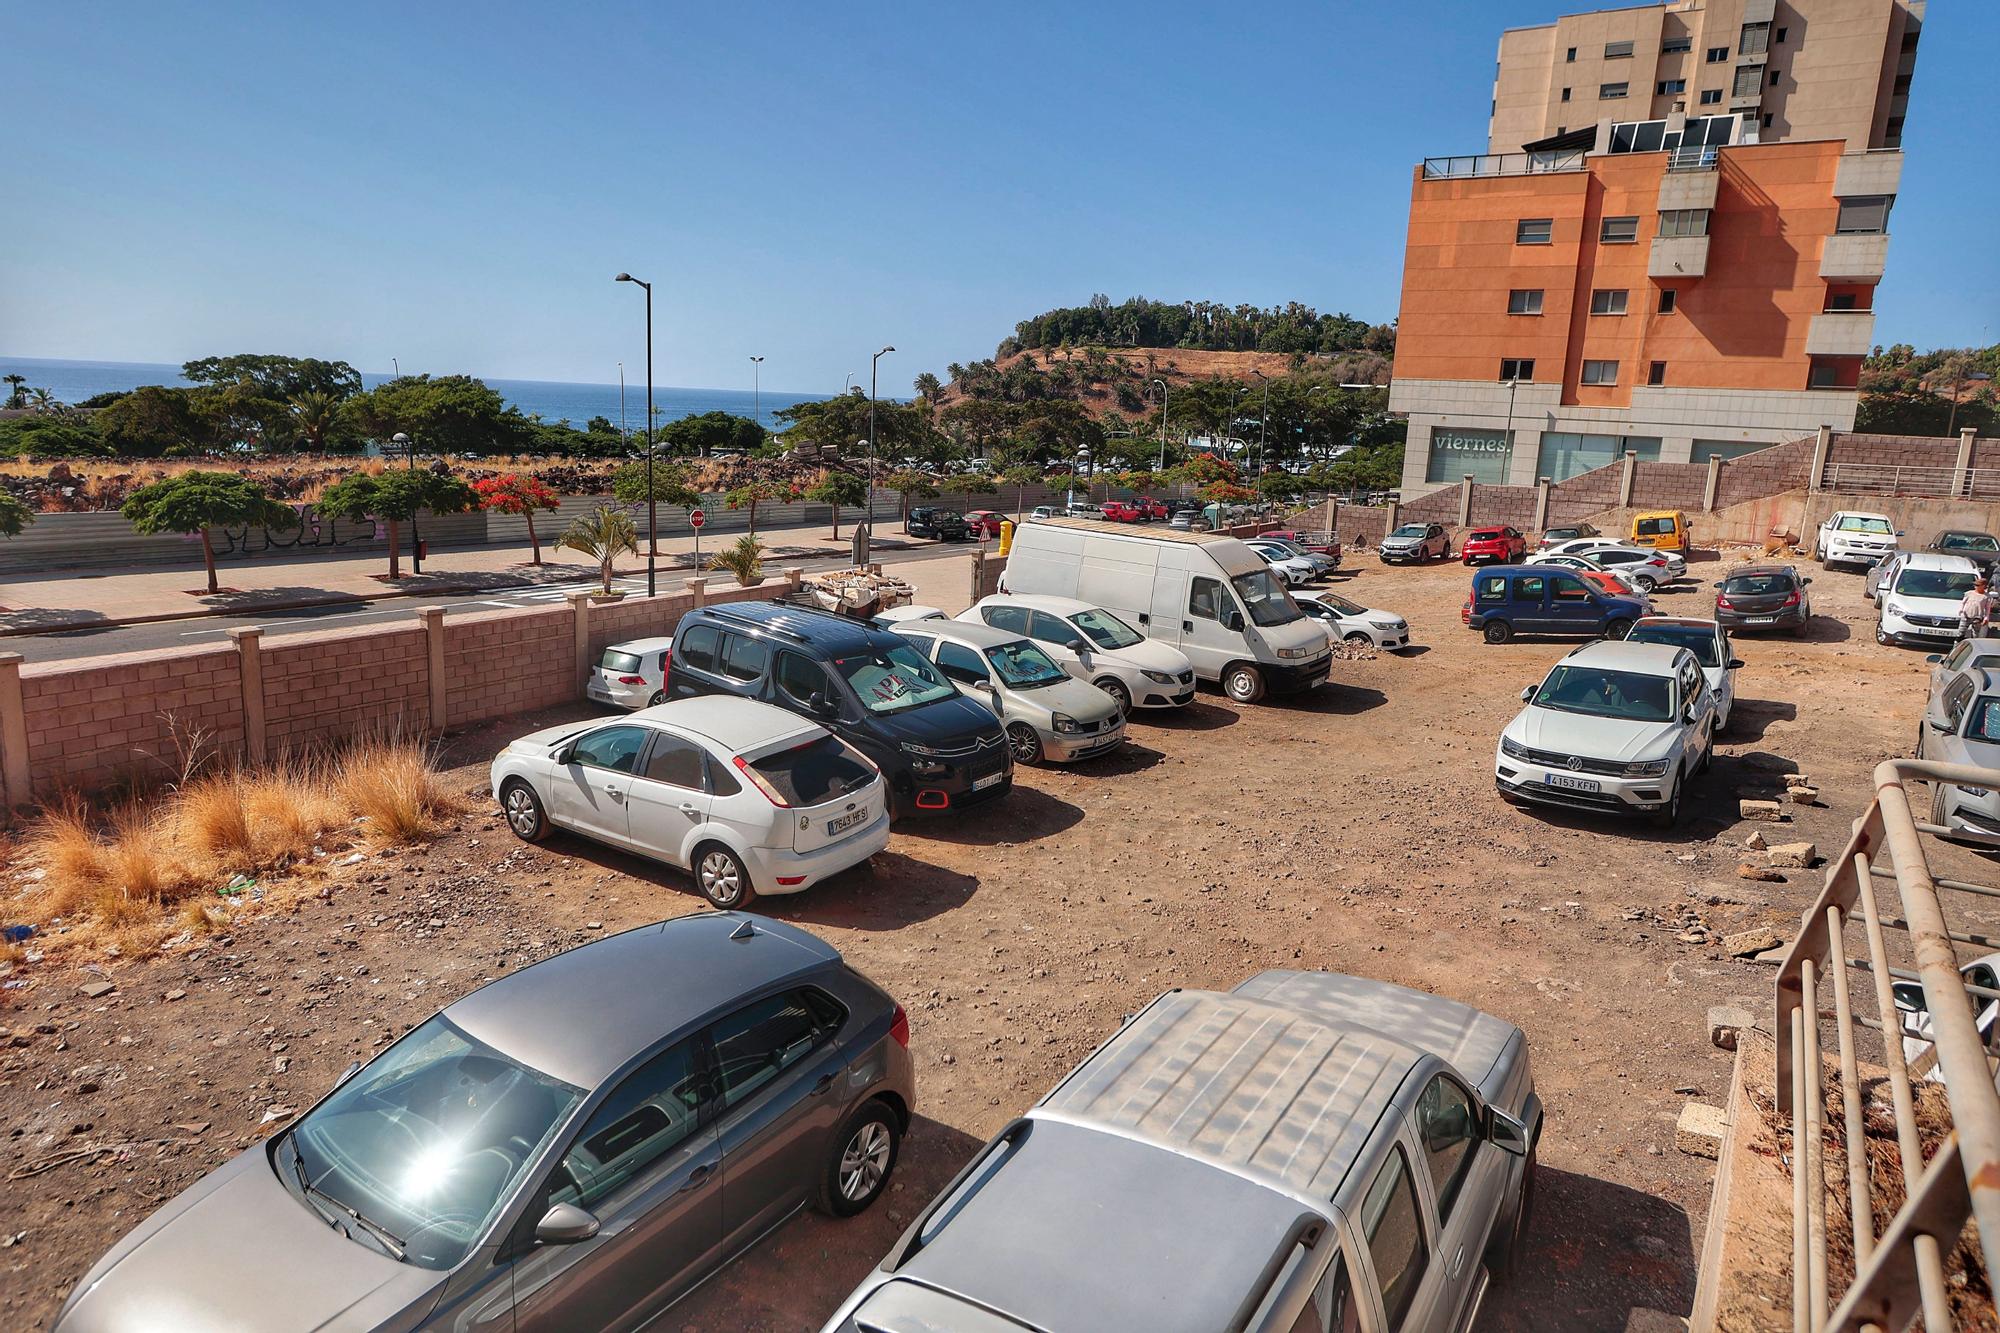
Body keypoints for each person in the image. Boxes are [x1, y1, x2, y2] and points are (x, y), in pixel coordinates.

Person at [1960, 576, 1994, 641]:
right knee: (1961, 633)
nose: (1975, 586)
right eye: (1975, 585)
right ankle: (1956, 646)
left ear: (1983, 586)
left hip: (1977, 617)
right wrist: (1961, 610)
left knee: (1975, 635)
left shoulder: (1986, 597)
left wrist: (1986, 617)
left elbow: (1987, 608)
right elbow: (1963, 602)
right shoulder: (1969, 593)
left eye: (1977, 585)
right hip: (1966, 615)